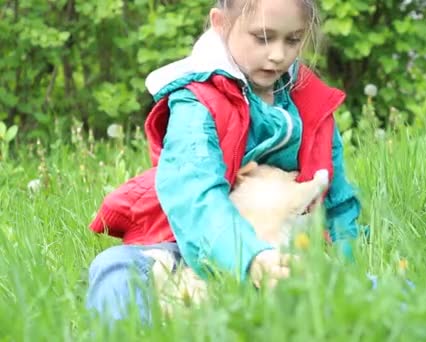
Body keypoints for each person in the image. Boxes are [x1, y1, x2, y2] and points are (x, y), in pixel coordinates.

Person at [85, 0, 365, 324]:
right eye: (262, 38)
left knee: (371, 290)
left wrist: (348, 260)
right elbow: (193, 193)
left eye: (292, 40)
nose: (278, 54)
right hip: (195, 245)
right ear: (220, 23)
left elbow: (338, 198)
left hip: (288, 244)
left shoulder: (309, 103)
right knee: (115, 267)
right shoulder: (198, 100)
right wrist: (250, 257)